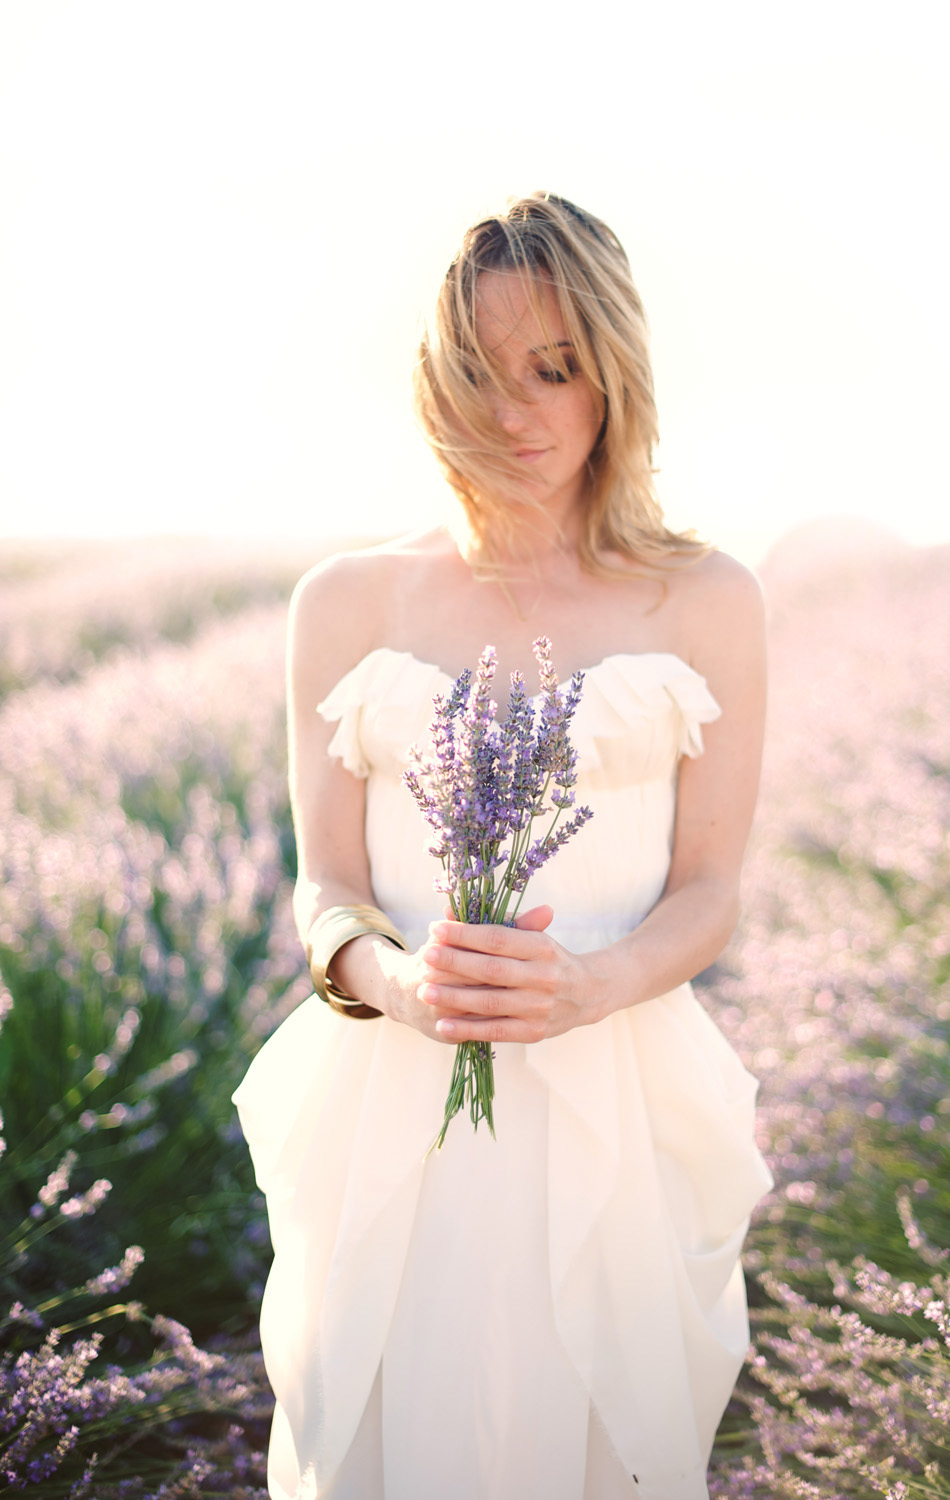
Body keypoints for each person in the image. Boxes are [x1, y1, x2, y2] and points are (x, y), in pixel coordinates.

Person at [234, 191, 772, 1500]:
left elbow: (708, 892)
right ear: (433, 376)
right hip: (394, 1108)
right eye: (480, 370)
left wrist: (590, 984)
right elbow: (329, 890)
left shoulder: (706, 597)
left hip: (620, 1091)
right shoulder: (346, 599)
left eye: (555, 369)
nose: (515, 411)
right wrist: (396, 984)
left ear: (612, 376)